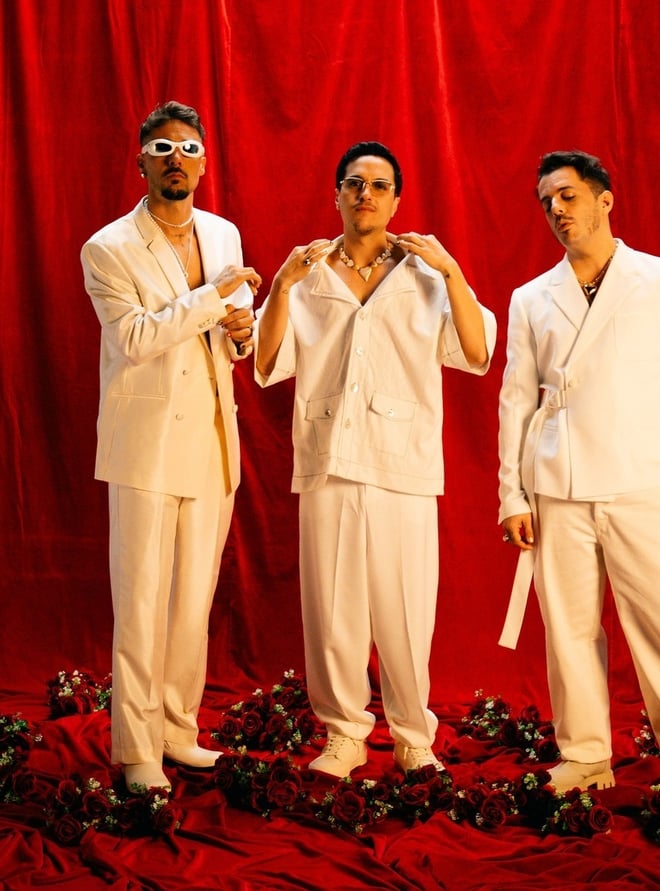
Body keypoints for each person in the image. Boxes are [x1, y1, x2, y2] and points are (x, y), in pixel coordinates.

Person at [497, 149, 660, 813]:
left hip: (643, 479)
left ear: (604, 199)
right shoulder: (531, 297)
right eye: (547, 201)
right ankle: (585, 755)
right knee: (568, 630)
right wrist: (512, 495)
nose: (557, 210)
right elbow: (515, 401)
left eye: (567, 195)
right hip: (558, 483)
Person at [254, 141, 496, 777]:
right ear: (336, 194)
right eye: (354, 183)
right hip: (328, 456)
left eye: (379, 185)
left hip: (403, 461)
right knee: (332, 610)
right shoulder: (307, 274)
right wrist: (280, 285)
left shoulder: (425, 275)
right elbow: (266, 361)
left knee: (407, 607)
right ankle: (344, 734)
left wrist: (453, 273)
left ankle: (414, 735)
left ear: (396, 200)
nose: (366, 194)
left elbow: (477, 353)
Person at [81, 101, 261, 793]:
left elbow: (228, 337)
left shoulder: (223, 232)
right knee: (142, 602)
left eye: (187, 148)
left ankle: (178, 730)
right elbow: (134, 339)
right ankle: (136, 749)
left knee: (192, 603)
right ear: (141, 162)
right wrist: (215, 298)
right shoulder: (108, 247)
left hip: (213, 440)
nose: (175, 160)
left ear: (204, 162)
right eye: (161, 149)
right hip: (145, 447)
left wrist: (240, 332)